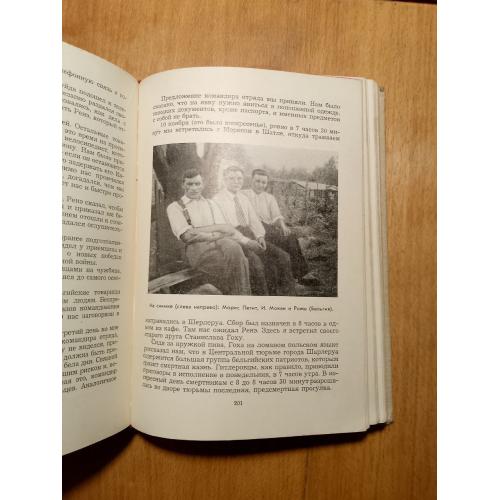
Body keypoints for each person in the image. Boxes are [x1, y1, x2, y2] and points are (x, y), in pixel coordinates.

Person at [212, 164, 296, 296]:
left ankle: (287, 296)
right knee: (258, 265)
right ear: (224, 180)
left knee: (283, 257)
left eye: (239, 178)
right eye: (232, 178)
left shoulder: (243, 198)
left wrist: (260, 236)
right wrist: (247, 241)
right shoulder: (217, 200)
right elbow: (224, 229)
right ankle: (262, 299)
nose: (236, 182)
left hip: (250, 234)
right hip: (234, 239)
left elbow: (254, 221)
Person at [166, 168, 251, 295]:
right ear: (183, 185)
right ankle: (240, 297)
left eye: (197, 184)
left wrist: (201, 232)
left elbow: (225, 229)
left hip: (221, 245)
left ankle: (238, 296)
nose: (194, 188)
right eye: (190, 184)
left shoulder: (211, 204)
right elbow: (187, 236)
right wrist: (215, 231)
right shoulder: (175, 207)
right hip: (197, 250)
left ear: (203, 184)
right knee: (237, 264)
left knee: (239, 253)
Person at [242, 169, 308, 280]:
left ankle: (300, 274)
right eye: (257, 181)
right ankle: (292, 274)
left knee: (290, 237)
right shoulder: (243, 194)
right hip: (251, 228)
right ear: (251, 180)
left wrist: (283, 226)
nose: (260, 185)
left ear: (267, 183)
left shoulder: (269, 198)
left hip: (267, 228)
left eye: (264, 182)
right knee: (279, 246)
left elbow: (276, 215)